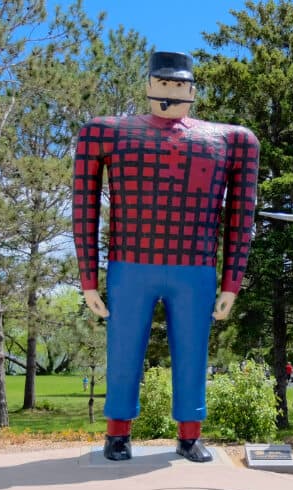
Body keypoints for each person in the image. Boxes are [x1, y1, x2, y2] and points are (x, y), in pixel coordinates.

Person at [72, 51, 259, 463]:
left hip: (194, 267)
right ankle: (117, 433)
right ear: (149, 86)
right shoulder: (104, 133)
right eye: (164, 84)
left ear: (192, 90)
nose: (171, 93)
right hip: (130, 264)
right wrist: (87, 279)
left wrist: (232, 281)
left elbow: (241, 215)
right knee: (122, 350)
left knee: (193, 351)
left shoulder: (232, 140)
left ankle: (189, 434)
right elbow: (83, 206)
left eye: (179, 86)